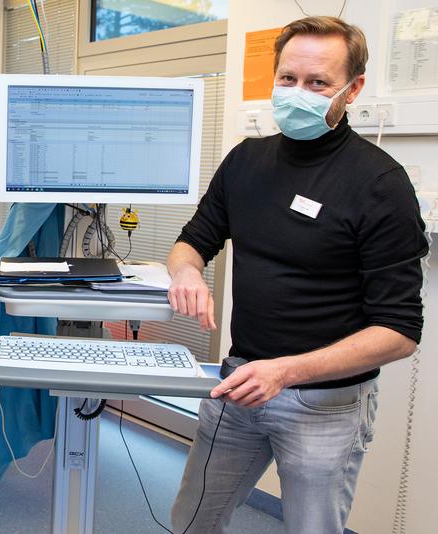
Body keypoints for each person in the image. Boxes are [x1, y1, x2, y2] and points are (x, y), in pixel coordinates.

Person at [167, 16, 427, 534]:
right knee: (190, 521)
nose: (298, 93)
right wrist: (187, 273)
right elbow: (193, 240)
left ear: (352, 90)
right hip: (240, 384)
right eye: (288, 79)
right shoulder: (246, 160)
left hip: (324, 403)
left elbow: (399, 333)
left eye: (317, 83)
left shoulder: (379, 183)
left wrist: (285, 371)